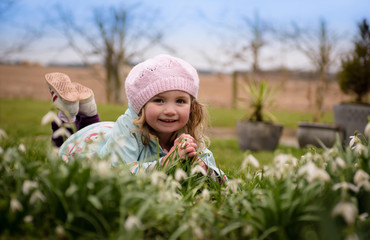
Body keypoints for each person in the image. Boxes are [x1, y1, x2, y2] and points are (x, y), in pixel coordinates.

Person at [46, 54, 227, 182]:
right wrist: (165, 163)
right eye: (159, 100)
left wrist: (203, 168)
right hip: (87, 146)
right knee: (64, 143)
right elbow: (113, 173)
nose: (171, 110)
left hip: (108, 135)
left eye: (180, 101)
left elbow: (223, 182)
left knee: (98, 132)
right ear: (140, 106)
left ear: (192, 106)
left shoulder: (189, 134)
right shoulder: (128, 127)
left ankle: (87, 107)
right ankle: (67, 110)